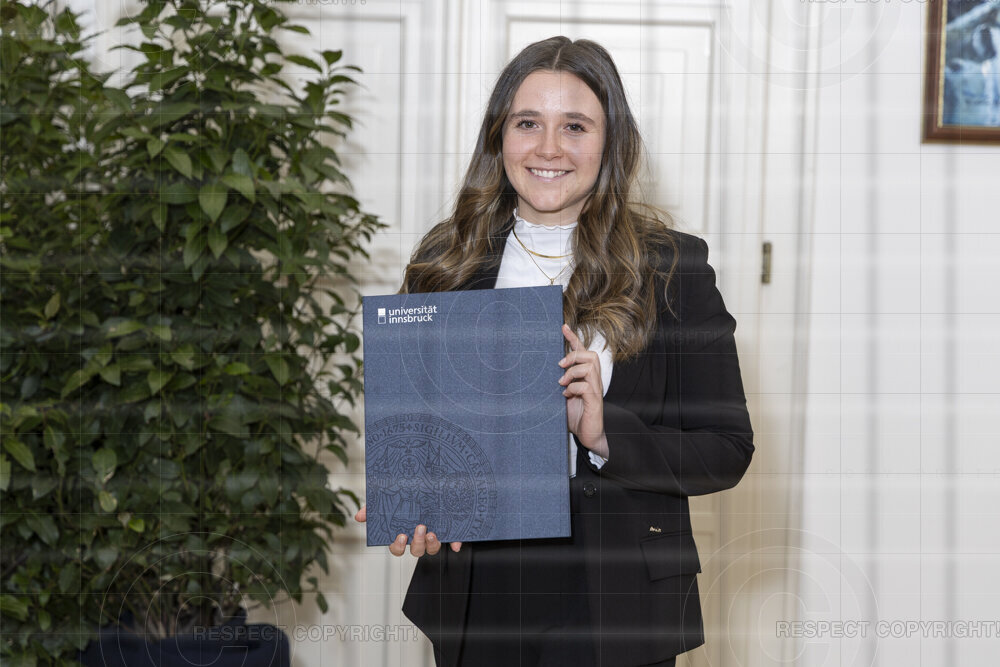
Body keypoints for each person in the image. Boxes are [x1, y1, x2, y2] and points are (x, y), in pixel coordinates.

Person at [354, 35, 754, 667]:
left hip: (621, 602)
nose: (548, 148)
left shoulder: (673, 268)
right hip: (477, 595)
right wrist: (418, 502)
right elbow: (426, 435)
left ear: (611, 143)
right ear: (499, 137)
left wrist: (604, 434)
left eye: (575, 126)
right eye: (527, 123)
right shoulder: (446, 259)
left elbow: (727, 451)